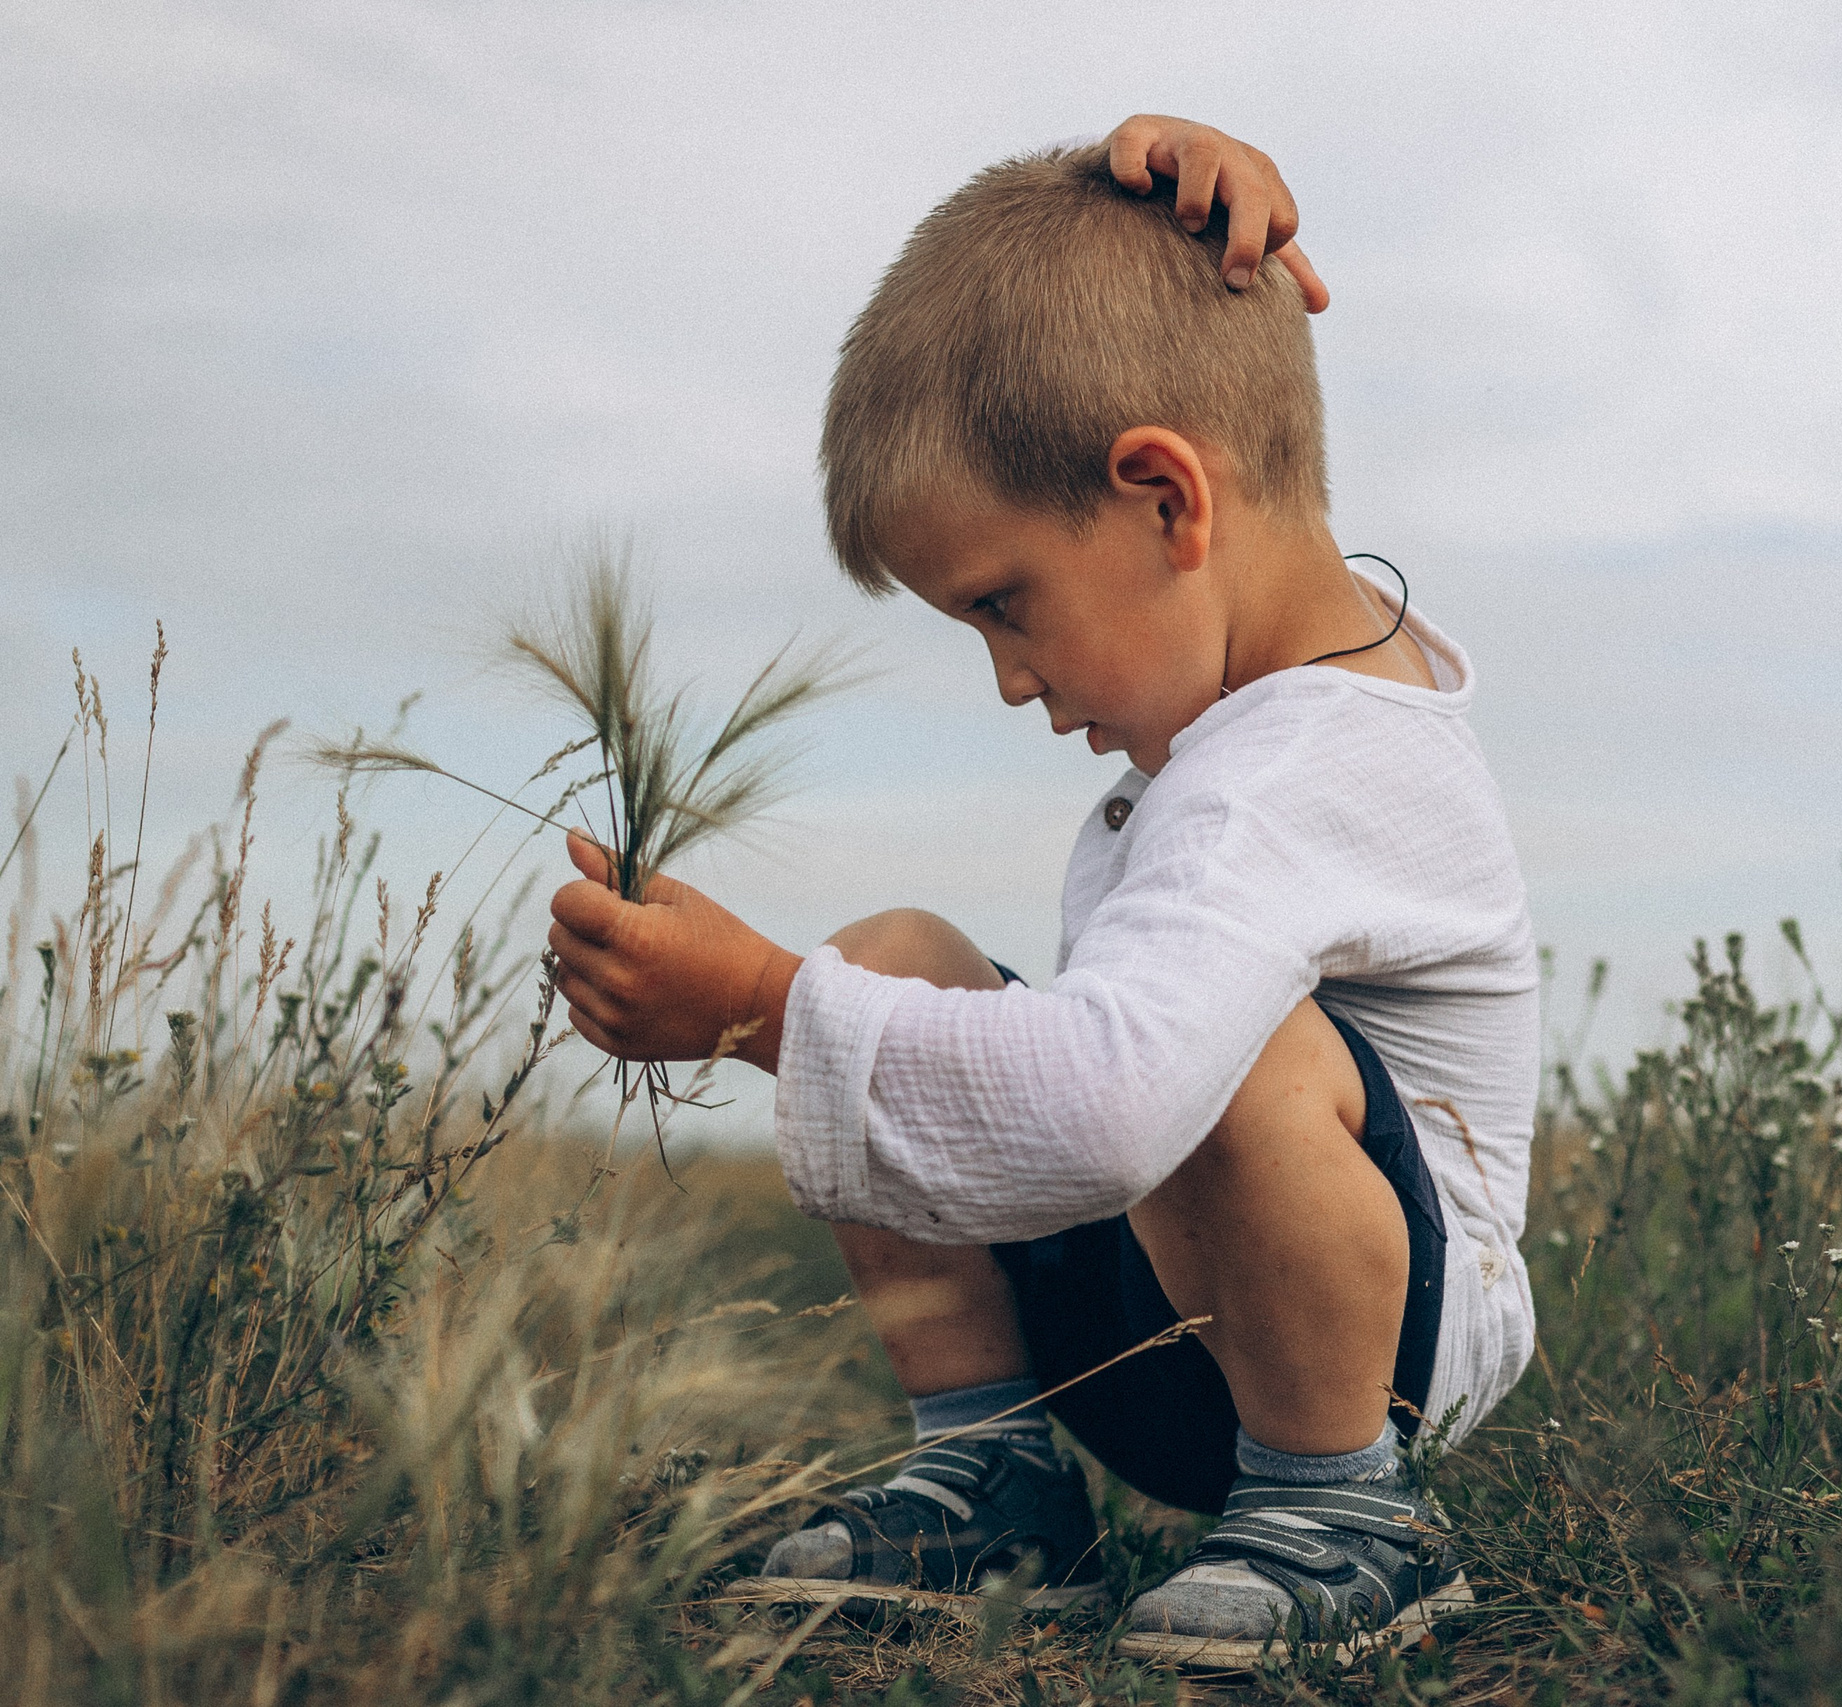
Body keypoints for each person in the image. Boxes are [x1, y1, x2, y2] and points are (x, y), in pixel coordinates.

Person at [544, 113, 1539, 1667]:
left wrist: (753, 1007)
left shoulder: (1306, 768)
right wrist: (1193, 211)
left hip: (1378, 1357)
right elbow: (1202, 374)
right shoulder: (1257, 701)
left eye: (1005, 605)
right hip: (1160, 1305)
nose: (1010, 679)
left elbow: (1113, 1107)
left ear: (1166, 501)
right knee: (897, 955)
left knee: (1230, 1051)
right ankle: (994, 1466)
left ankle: (1348, 1515)